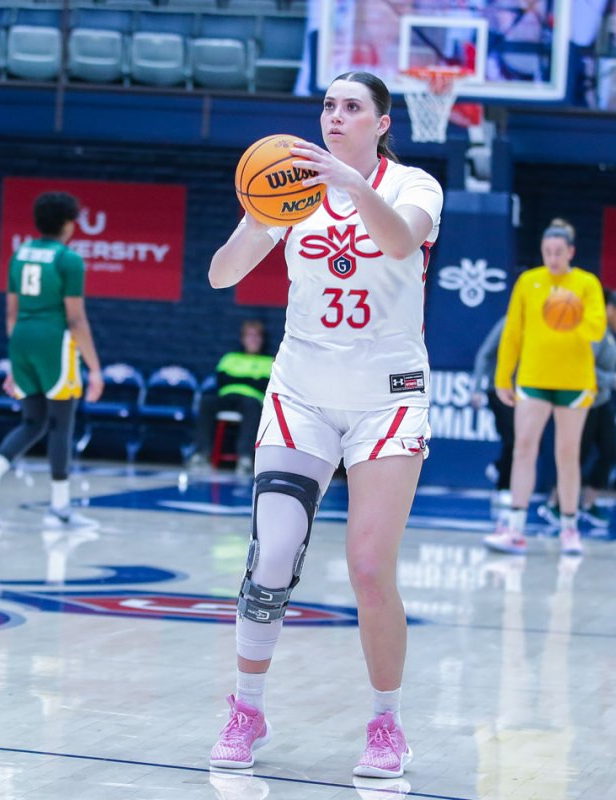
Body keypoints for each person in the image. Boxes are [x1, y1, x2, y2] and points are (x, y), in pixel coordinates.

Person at [206, 71, 443, 778]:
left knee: (370, 569)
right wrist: (256, 221)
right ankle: (245, 710)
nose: (334, 116)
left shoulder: (414, 186)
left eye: (351, 107)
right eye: (329, 105)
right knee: (271, 557)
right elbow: (220, 275)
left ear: (382, 122)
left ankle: (385, 725)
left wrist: (351, 183)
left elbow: (400, 243)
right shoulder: (293, 191)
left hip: (389, 396)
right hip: (301, 393)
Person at [0, 192, 103, 529]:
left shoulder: (19, 255)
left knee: (34, 421)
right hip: (54, 341)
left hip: (21, 338)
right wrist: (95, 369)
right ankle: (59, 508)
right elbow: (76, 320)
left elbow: (11, 312)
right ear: (68, 223)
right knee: (61, 423)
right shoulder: (68, 260)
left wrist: (15, 361)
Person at [483, 218, 606, 558]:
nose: (552, 258)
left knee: (567, 455)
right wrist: (502, 378)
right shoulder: (529, 281)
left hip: (575, 381)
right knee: (524, 448)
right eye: (547, 252)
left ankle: (569, 528)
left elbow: (598, 330)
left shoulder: (586, 284)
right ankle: (515, 528)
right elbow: (513, 333)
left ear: (571, 252)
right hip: (533, 378)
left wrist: (573, 314)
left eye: (559, 252)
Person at [539, 289, 616, 528]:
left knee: (610, 452)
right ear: (610, 309)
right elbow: (584, 365)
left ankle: (589, 504)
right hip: (585, 402)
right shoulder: (597, 331)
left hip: (601, 402)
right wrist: (612, 380)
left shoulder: (607, 333)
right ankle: (554, 502)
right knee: (575, 455)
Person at [192, 320, 274, 476]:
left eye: (257, 336)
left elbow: (264, 385)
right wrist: (251, 380)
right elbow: (222, 380)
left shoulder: (269, 361)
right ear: (243, 339)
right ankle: (201, 454)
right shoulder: (230, 358)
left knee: (252, 407)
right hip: (227, 397)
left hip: (251, 400)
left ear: (262, 339)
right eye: (249, 336)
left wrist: (239, 379)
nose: (253, 339)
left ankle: (244, 457)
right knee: (206, 402)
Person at [470, 315, 514, 500]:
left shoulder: (544, 323)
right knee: (512, 439)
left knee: (524, 441)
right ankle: (503, 488)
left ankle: (498, 467)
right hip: (498, 389)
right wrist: (477, 388)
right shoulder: (508, 323)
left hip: (524, 392)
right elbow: (485, 353)